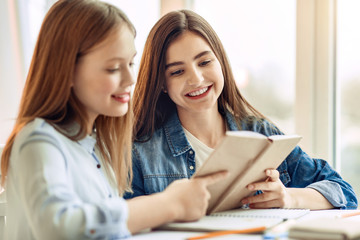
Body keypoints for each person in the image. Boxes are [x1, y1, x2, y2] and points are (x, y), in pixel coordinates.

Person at [0, 2, 228, 239]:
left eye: (130, 63)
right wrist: (168, 204)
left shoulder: (99, 149)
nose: (131, 78)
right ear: (66, 71)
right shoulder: (39, 142)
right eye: (113, 68)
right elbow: (60, 227)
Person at [125, 9, 358, 210]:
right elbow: (121, 224)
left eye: (204, 62)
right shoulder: (140, 150)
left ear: (221, 63)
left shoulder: (261, 133)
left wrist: (288, 197)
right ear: (162, 83)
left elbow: (343, 193)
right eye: (177, 71)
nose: (196, 79)